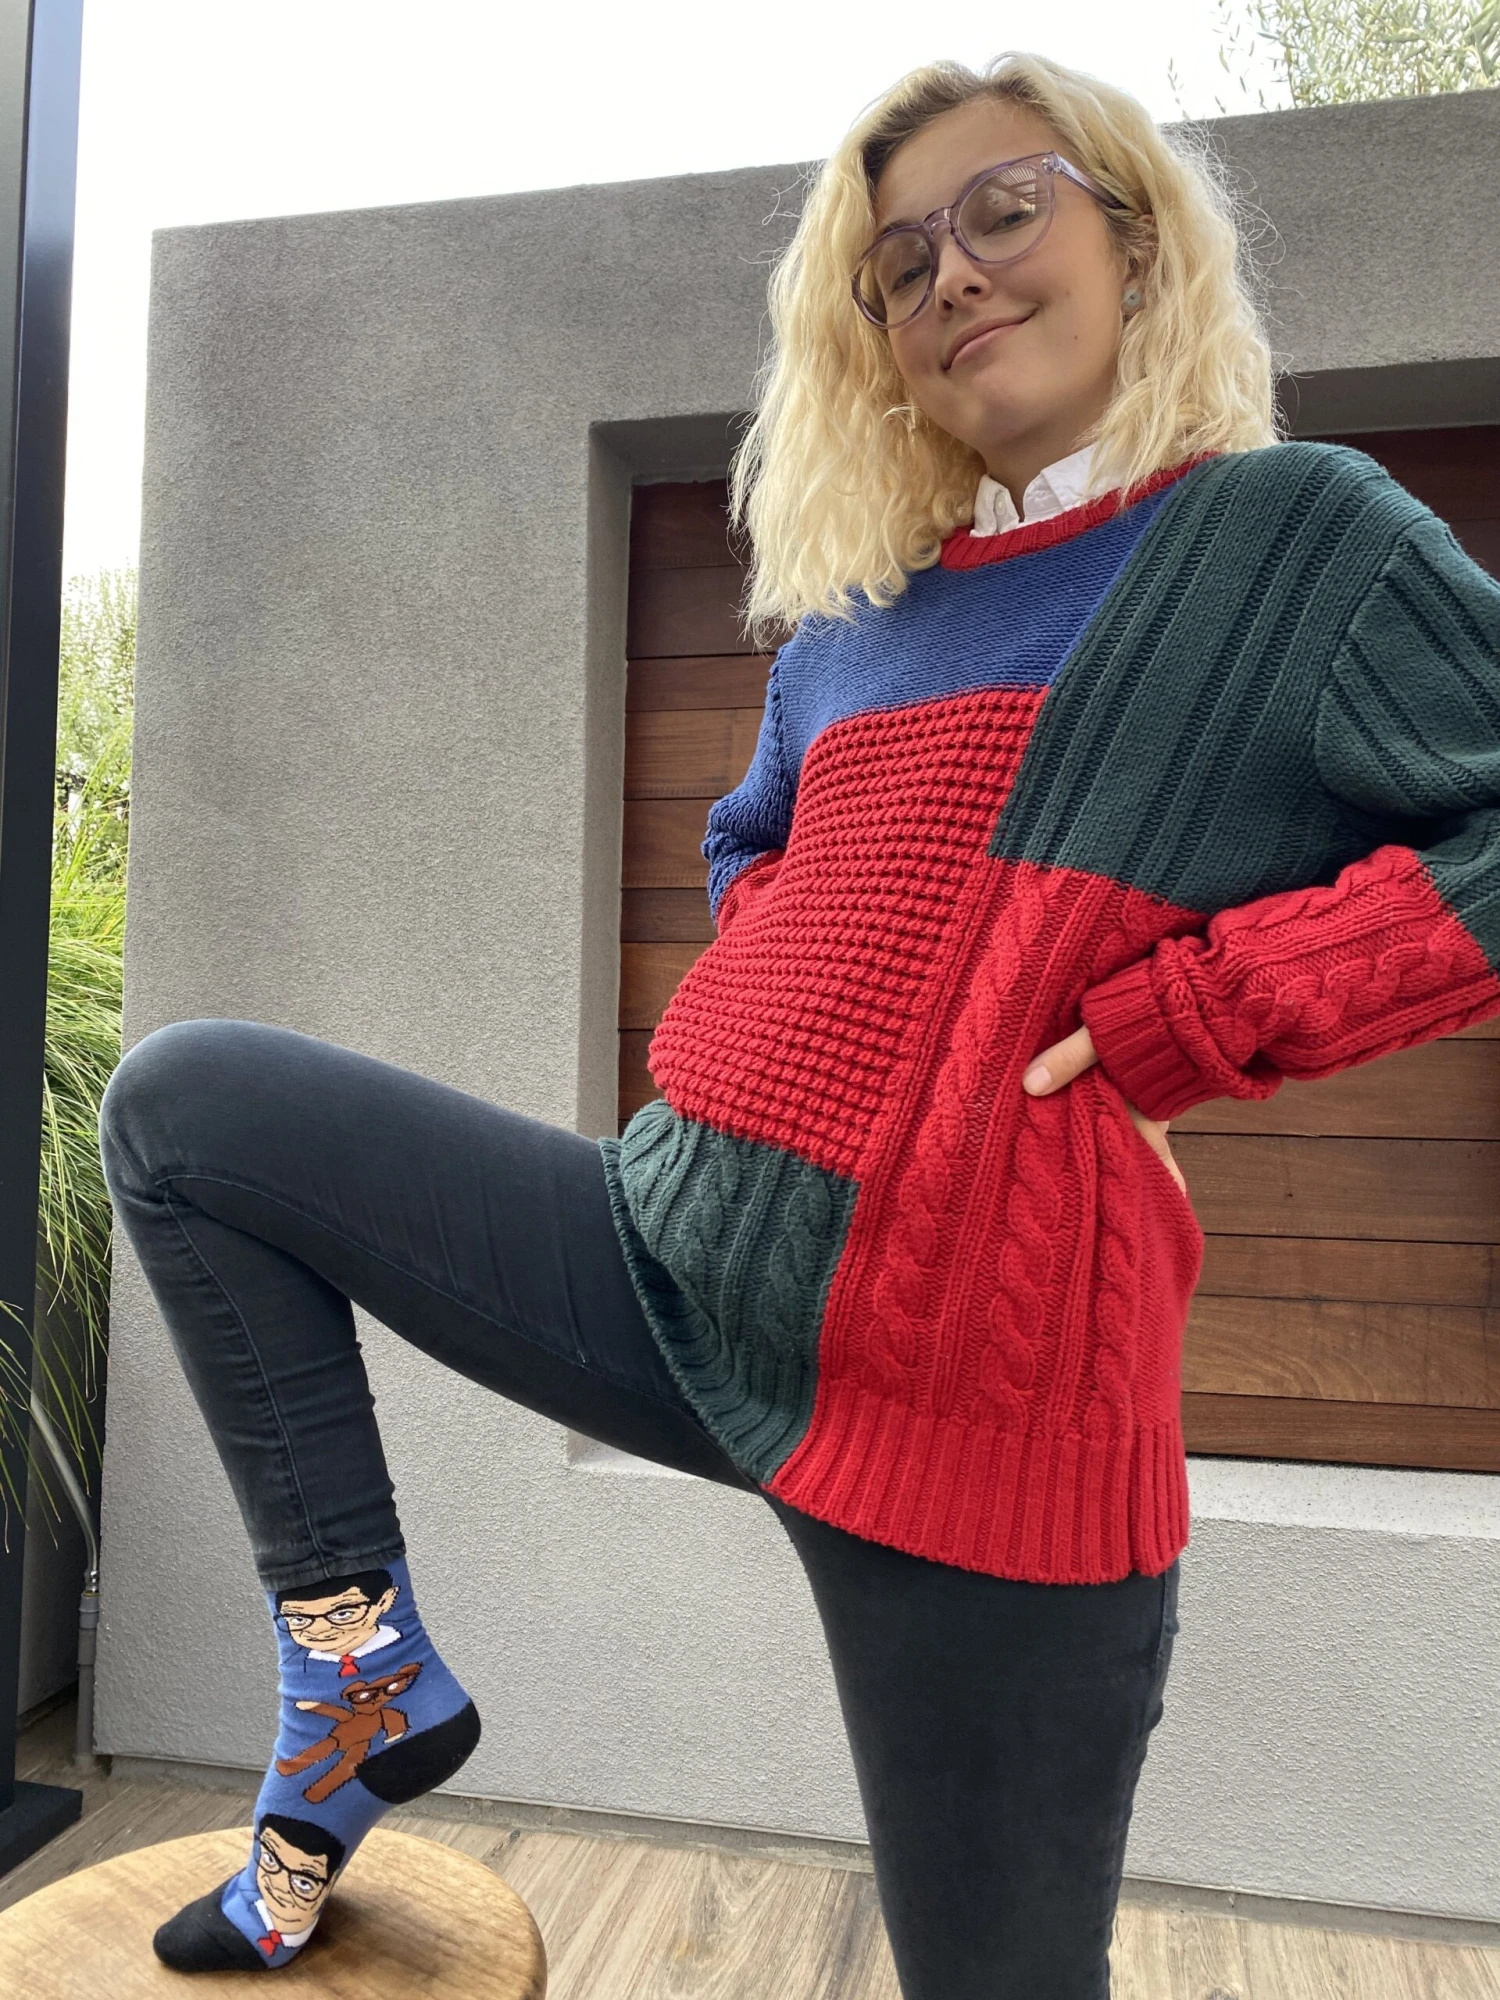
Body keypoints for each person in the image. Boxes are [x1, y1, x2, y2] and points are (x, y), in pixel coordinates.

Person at [97, 47, 1500, 1999]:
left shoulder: (1288, 541)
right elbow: (751, 842)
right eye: (896, 261)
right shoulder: (860, 610)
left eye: (1004, 209)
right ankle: (353, 1671)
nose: (951, 274)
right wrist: (812, 1021)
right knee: (186, 1113)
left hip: (977, 1416)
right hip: (667, 1254)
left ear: (1135, 238)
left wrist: (1205, 1013)